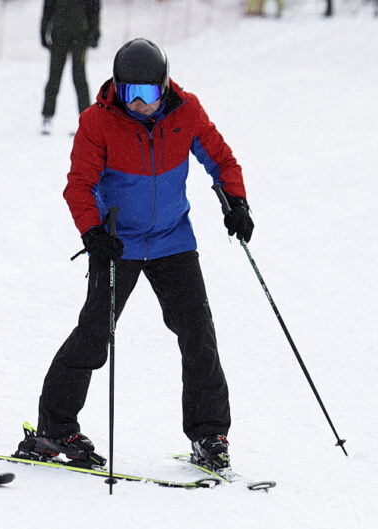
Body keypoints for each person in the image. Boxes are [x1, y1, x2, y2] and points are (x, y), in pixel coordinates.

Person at [14, 38, 254, 472]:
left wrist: (236, 203)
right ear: (117, 88)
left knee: (198, 335)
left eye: (149, 93)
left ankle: (209, 433)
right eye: (130, 94)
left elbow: (222, 160)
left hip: (172, 240)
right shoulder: (98, 121)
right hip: (116, 242)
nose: (140, 104)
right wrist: (92, 231)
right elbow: (79, 185)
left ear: (166, 87)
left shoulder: (188, 111)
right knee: (93, 336)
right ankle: (54, 429)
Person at [40, 0, 101, 134]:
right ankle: (47, 117)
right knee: (54, 77)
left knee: (79, 77)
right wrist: (43, 30)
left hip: (80, 36)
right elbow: (48, 8)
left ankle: (86, 120)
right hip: (58, 36)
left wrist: (95, 31)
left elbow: (94, 7)